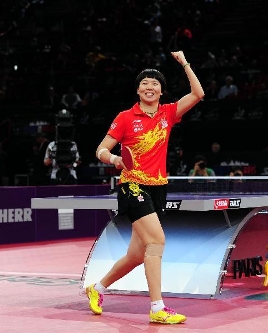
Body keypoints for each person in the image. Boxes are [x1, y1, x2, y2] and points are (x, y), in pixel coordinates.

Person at [87, 51, 204, 325]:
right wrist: (115, 158)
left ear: (161, 91)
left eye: (155, 84)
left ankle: (97, 288)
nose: (149, 87)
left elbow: (198, 93)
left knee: (137, 254)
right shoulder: (126, 117)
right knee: (156, 242)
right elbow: (101, 149)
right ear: (138, 90)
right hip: (132, 186)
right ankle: (157, 307)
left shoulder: (168, 113)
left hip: (158, 187)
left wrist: (185, 62)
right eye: (144, 83)